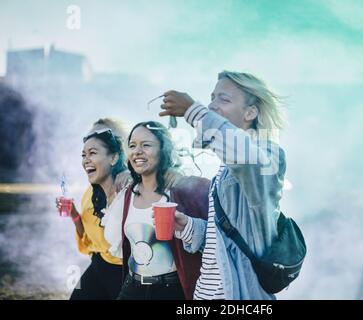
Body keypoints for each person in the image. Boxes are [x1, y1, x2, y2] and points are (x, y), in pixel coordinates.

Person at [159, 70, 287, 300]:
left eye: (224, 99)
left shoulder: (269, 156)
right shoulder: (225, 168)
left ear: (251, 112)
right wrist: (189, 227)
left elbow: (246, 156)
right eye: (212, 97)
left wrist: (192, 111)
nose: (212, 105)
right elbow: (224, 244)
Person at [102, 121, 209, 300]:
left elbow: (213, 236)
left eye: (146, 145)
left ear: (163, 149)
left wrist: (181, 175)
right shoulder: (128, 193)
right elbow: (113, 241)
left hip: (171, 290)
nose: (137, 151)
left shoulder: (180, 189)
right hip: (132, 287)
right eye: (132, 146)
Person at [55, 118, 128, 300]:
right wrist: (73, 214)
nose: (86, 159)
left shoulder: (129, 186)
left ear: (115, 152)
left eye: (100, 136)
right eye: (84, 153)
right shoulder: (90, 193)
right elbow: (89, 240)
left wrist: (131, 174)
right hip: (99, 263)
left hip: (124, 271)